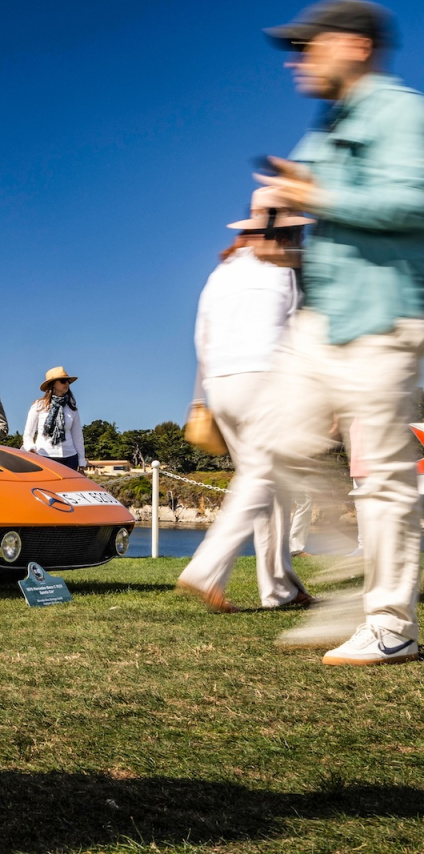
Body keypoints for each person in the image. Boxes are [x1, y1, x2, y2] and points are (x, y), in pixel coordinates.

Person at [257, 0, 424, 664]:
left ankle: (390, 624)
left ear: (355, 45)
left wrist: (316, 198)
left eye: (308, 45)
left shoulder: (402, 113)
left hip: (385, 317)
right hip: (321, 320)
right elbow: (307, 210)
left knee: (382, 476)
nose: (295, 60)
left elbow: (414, 200)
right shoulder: (328, 127)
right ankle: (355, 581)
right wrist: (282, 241)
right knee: (277, 440)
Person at [176, 188, 314, 613]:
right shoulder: (286, 267)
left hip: (221, 385)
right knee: (261, 478)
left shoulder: (223, 271)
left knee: (270, 487)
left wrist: (206, 391)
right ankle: (206, 570)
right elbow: (300, 332)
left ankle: (280, 588)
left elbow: (202, 335)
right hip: (265, 380)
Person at [22, 367, 87, 471]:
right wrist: (31, 448)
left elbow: (77, 436)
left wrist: (81, 461)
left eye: (68, 381)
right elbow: (28, 434)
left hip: (70, 458)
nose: (67, 384)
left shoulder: (72, 408)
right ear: (53, 384)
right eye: (63, 381)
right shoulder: (38, 406)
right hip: (44, 456)